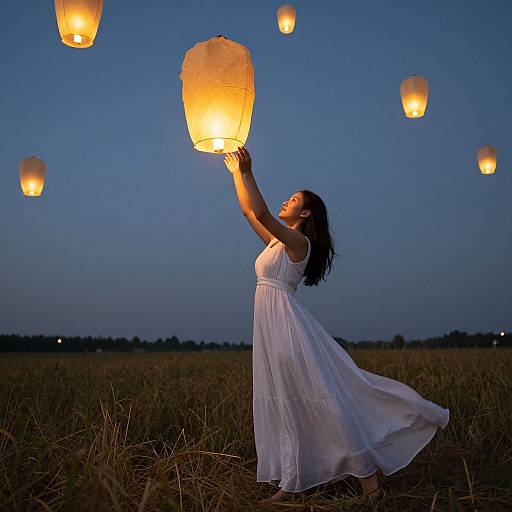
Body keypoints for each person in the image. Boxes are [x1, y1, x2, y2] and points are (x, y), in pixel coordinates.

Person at [224, 146, 450, 506]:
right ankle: (292, 481)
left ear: (306, 212)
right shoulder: (275, 243)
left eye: (293, 199)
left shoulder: (299, 242)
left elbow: (263, 212)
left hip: (286, 328)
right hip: (270, 327)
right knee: (286, 402)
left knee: (322, 400)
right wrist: (236, 174)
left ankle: (369, 484)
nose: (286, 201)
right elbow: (251, 212)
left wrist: (249, 172)